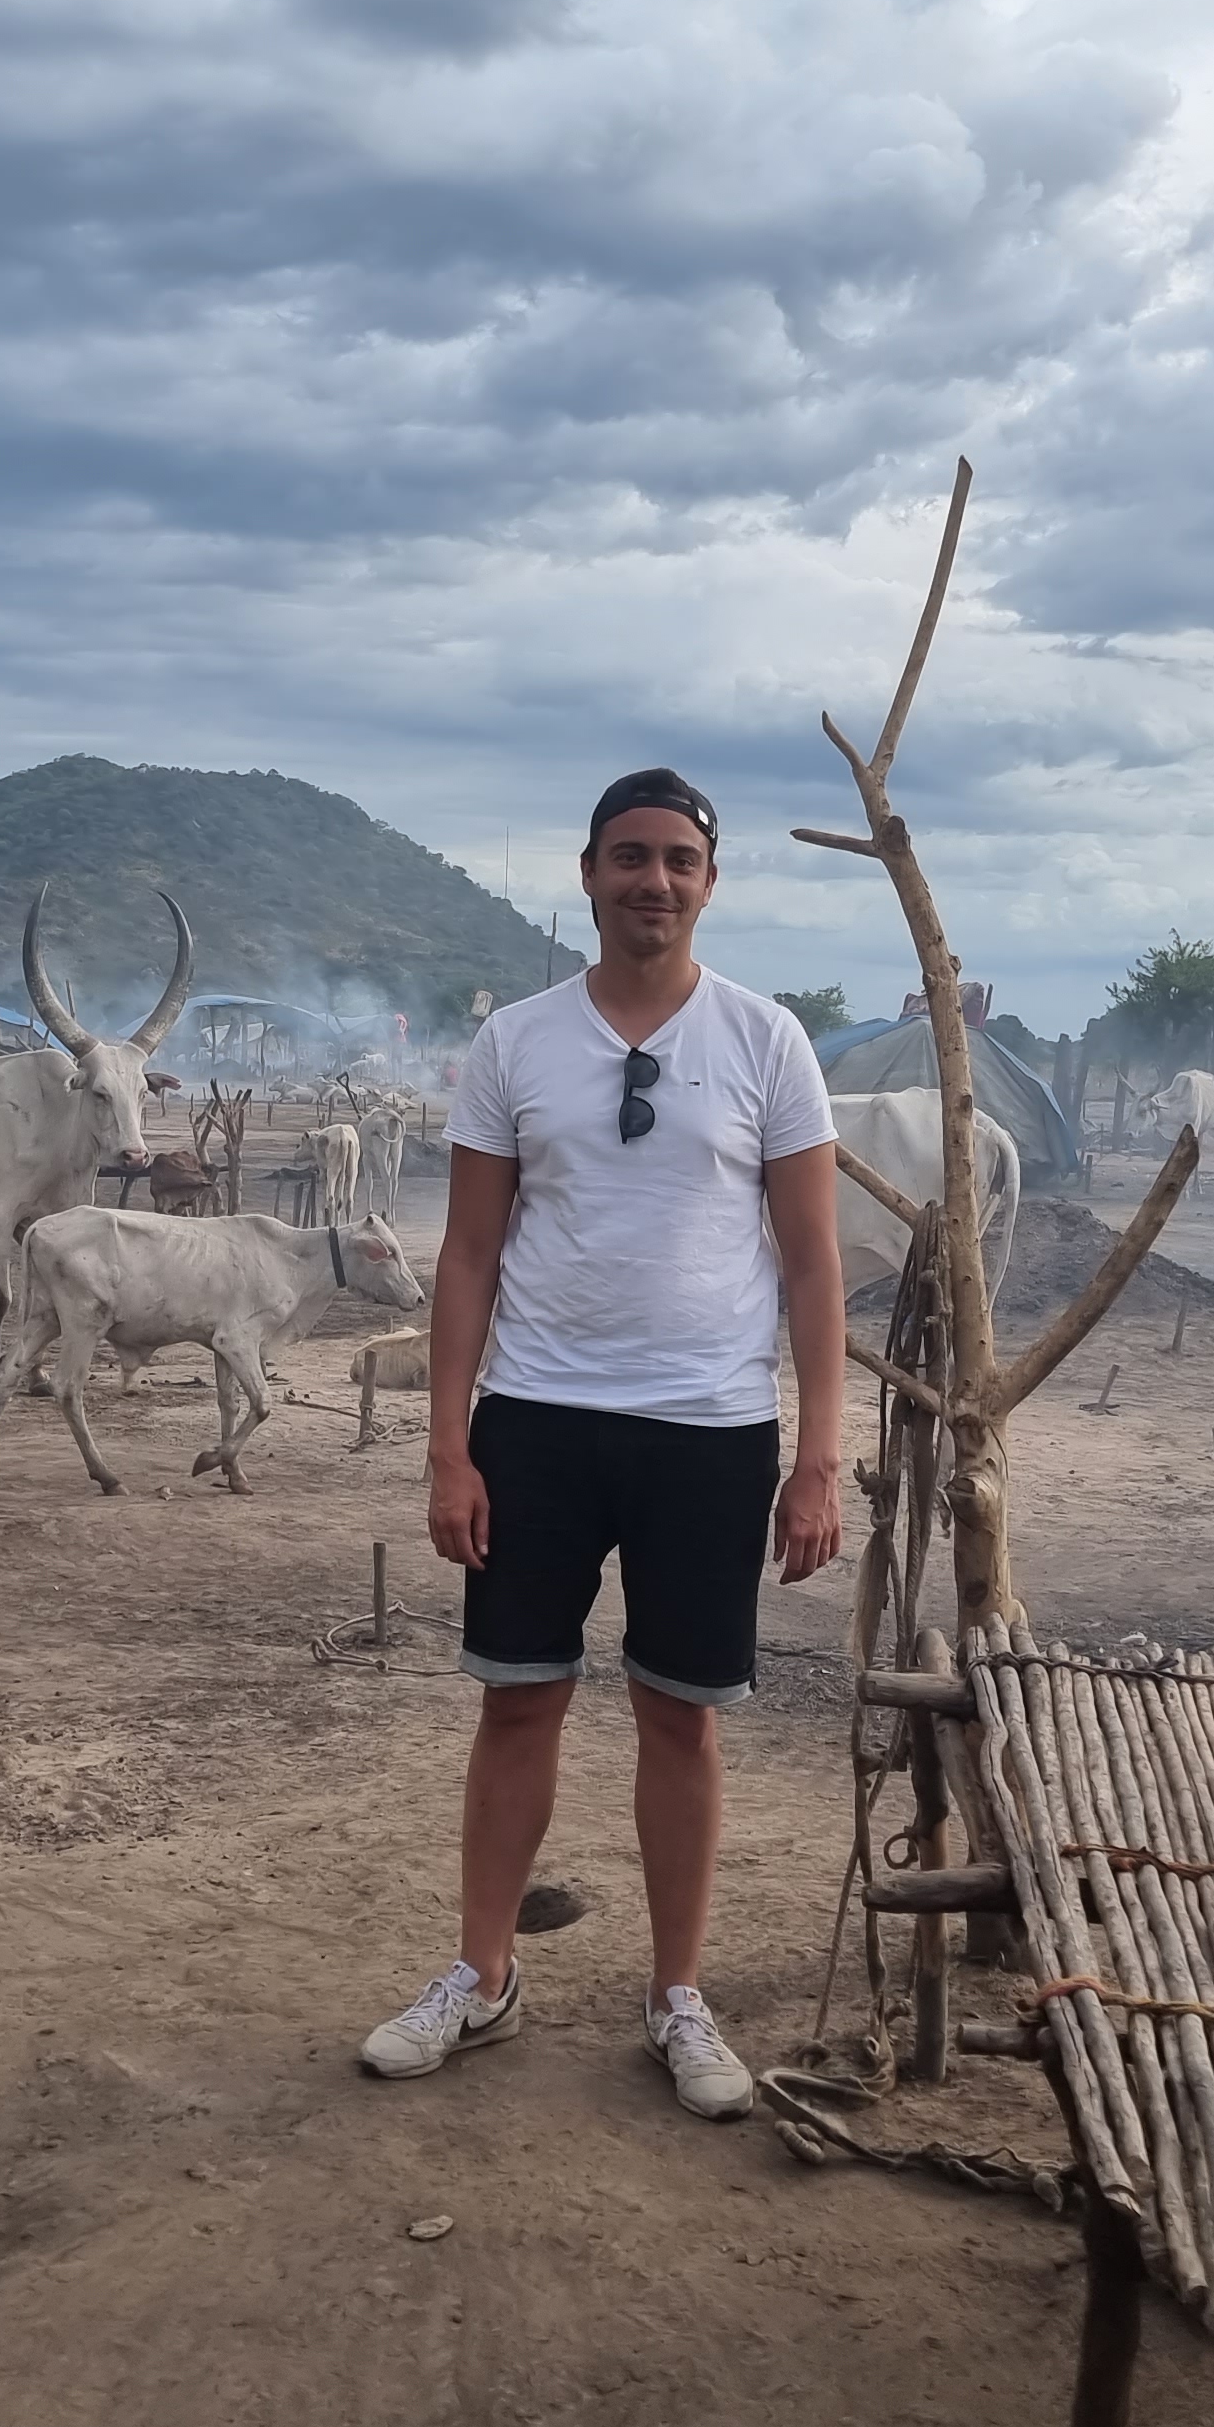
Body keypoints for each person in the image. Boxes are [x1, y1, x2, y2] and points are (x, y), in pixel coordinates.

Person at [358, 768, 847, 2120]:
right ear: (586, 874)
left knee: (681, 1716)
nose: (656, 882)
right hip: (542, 1422)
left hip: (708, 1428)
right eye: (630, 858)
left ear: (710, 880)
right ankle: (483, 1972)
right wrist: (449, 1447)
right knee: (519, 1698)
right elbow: (466, 1255)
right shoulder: (515, 1043)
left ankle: (676, 1997)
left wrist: (817, 1456)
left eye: (681, 859)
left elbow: (813, 1265)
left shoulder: (767, 1043)